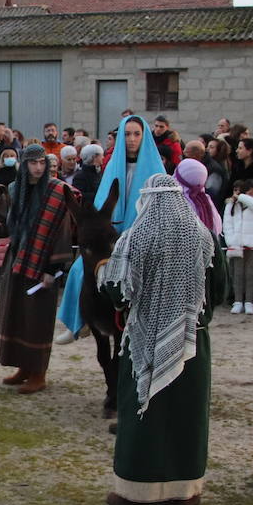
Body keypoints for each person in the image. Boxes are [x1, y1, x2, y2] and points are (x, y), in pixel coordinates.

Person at [102, 173, 226, 505]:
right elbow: (221, 289)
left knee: (145, 415)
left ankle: (135, 494)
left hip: (143, 339)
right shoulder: (205, 238)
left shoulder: (134, 238)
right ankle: (185, 492)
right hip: (192, 342)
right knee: (187, 417)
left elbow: (116, 290)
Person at [56, 115, 164, 343]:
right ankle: (80, 320)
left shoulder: (157, 169)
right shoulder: (113, 165)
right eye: (127, 134)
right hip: (111, 238)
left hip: (144, 238)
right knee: (79, 270)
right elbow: (104, 200)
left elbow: (160, 207)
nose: (132, 139)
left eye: (136, 134)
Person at [0, 144, 76, 395]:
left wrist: (53, 268)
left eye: (42, 163)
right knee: (16, 314)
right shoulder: (14, 189)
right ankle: (23, 367)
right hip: (17, 258)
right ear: (24, 164)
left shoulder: (58, 191)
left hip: (43, 264)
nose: (39, 168)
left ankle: (38, 372)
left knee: (37, 318)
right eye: (33, 163)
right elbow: (6, 225)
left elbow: (63, 231)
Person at [223, 179, 253, 314]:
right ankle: (237, 301)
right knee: (237, 274)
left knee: (249, 274)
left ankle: (248, 301)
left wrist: (242, 196)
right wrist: (231, 241)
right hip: (236, 244)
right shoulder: (231, 205)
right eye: (249, 189)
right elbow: (227, 224)